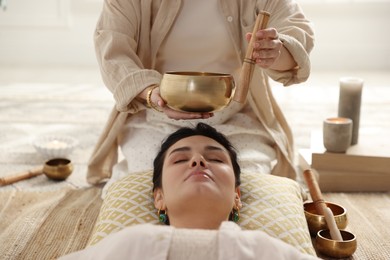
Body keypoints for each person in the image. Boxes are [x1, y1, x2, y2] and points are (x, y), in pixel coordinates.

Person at [87, 0, 315, 196]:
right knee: (155, 185)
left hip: (234, 118)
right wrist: (152, 94)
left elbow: (296, 31)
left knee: (240, 186)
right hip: (155, 116)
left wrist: (276, 51)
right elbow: (112, 49)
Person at [61, 123, 319, 259]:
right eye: (180, 159)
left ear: (236, 197)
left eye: (216, 159)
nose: (198, 161)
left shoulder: (266, 251)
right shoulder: (129, 244)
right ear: (158, 197)